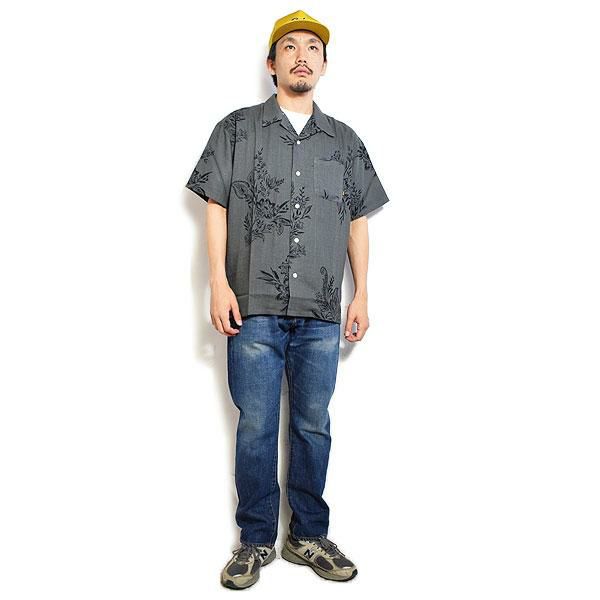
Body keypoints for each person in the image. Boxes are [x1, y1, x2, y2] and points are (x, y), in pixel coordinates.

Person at [185, 9, 391, 590]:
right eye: (290, 47)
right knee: (255, 426)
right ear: (272, 63)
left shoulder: (345, 142)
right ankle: (255, 540)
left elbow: (357, 220)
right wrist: (218, 282)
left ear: (324, 65)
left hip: (322, 310)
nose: (302, 56)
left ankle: (307, 536)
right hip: (252, 304)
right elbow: (216, 205)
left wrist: (362, 294)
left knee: (313, 425)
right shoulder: (236, 129)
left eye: (313, 49)